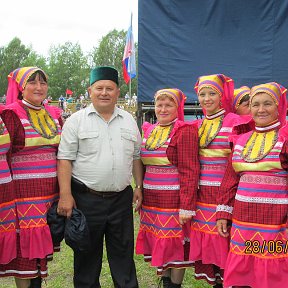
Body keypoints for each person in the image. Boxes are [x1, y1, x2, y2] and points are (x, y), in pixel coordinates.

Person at [57, 66, 143, 288]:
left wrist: (139, 186)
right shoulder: (76, 121)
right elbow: (65, 159)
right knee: (86, 258)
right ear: (90, 90)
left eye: (110, 88)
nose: (104, 92)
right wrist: (65, 195)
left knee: (123, 256)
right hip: (86, 199)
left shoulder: (129, 121)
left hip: (121, 200)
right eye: (99, 88)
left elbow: (135, 157)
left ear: (117, 92)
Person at [216, 82, 288, 288]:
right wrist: (223, 213)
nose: (261, 109)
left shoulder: (285, 138)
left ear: (279, 107)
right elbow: (230, 180)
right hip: (243, 221)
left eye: (268, 104)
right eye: (255, 104)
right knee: (244, 274)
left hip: (275, 222)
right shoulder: (240, 139)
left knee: (272, 274)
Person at [0, 67, 62, 288]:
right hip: (24, 197)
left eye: (43, 83)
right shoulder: (11, 114)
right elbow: (5, 154)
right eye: (32, 82)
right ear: (21, 87)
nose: (39, 87)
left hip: (49, 196)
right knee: (24, 255)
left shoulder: (53, 114)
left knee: (38, 256)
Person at [136, 88, 199, 288]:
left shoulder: (184, 131)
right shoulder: (148, 130)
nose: (163, 109)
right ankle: (165, 282)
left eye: (168, 105)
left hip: (173, 199)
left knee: (176, 245)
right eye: (159, 105)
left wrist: (186, 206)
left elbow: (190, 170)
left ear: (178, 107)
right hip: (153, 200)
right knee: (161, 243)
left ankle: (174, 285)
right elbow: (142, 164)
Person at [189, 74, 245, 287]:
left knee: (225, 241)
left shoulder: (235, 122)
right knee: (210, 247)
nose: (206, 98)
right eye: (202, 94)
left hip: (225, 193)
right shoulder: (198, 125)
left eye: (212, 93)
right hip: (202, 196)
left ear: (222, 96)